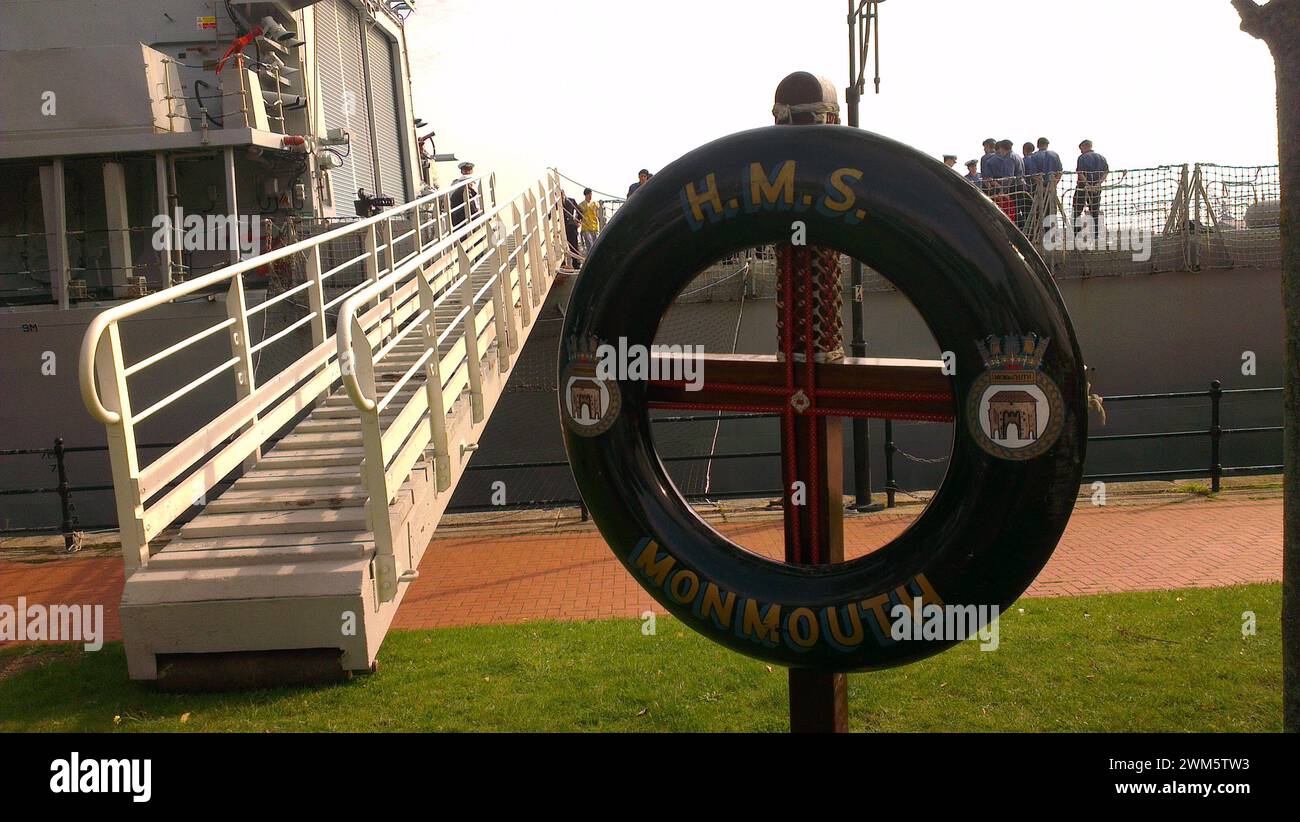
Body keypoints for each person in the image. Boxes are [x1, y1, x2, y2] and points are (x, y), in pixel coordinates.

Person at [1074, 139, 1109, 242]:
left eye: (1081, 149)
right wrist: (1097, 184)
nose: (1080, 151)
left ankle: (1077, 235)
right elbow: (1106, 171)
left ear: (1084, 147)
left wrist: (1087, 185)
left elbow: (1080, 173)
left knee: (1077, 210)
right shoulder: (1101, 158)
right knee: (1095, 211)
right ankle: (1095, 236)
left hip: (1082, 188)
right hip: (1096, 188)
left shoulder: (1082, 158)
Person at [449, 161, 480, 228]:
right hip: (472, 212)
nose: (467, 171)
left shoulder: (455, 183)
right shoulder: (475, 181)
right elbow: (477, 199)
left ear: (461, 172)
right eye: (466, 169)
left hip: (457, 214)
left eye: (468, 169)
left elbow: (450, 196)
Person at [561, 189, 582, 270]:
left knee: (574, 245)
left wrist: (578, 220)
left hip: (572, 226)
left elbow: (580, 211)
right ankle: (565, 264)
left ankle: (576, 264)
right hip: (563, 228)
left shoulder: (571, 200)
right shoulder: (556, 204)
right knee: (564, 246)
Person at [578, 188, 600, 256]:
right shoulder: (581, 205)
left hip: (595, 227)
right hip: (586, 227)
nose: (590, 196)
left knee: (596, 246)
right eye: (588, 194)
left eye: (591, 194)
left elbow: (598, 214)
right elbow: (578, 216)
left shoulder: (596, 204)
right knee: (589, 245)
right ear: (585, 195)